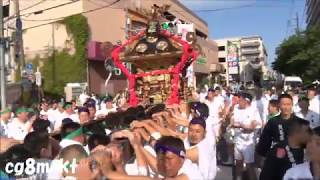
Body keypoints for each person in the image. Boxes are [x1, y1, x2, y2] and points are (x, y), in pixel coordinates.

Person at [256, 94, 305, 158]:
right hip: (277, 156)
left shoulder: (300, 122)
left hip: (295, 157)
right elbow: (265, 141)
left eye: (288, 104)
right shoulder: (272, 122)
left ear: (292, 105)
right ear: (279, 105)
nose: (286, 107)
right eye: (283, 104)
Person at [231, 92, 261, 180]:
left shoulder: (253, 110)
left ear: (246, 101)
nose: (238, 101)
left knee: (249, 165)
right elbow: (232, 122)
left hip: (248, 142)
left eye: (240, 99)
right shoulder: (236, 109)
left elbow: (253, 126)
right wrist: (244, 126)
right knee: (238, 163)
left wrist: (241, 125)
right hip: (238, 140)